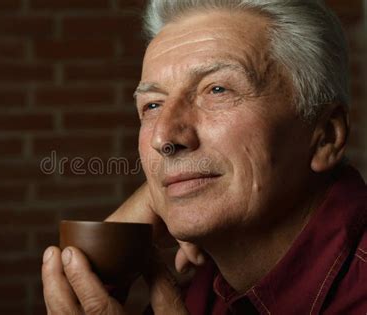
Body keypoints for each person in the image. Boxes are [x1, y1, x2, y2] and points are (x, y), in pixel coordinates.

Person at [41, 0, 366, 313]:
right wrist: (154, 200)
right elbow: (79, 297)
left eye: (217, 90)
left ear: (326, 136)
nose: (163, 137)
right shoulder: (203, 287)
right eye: (153, 105)